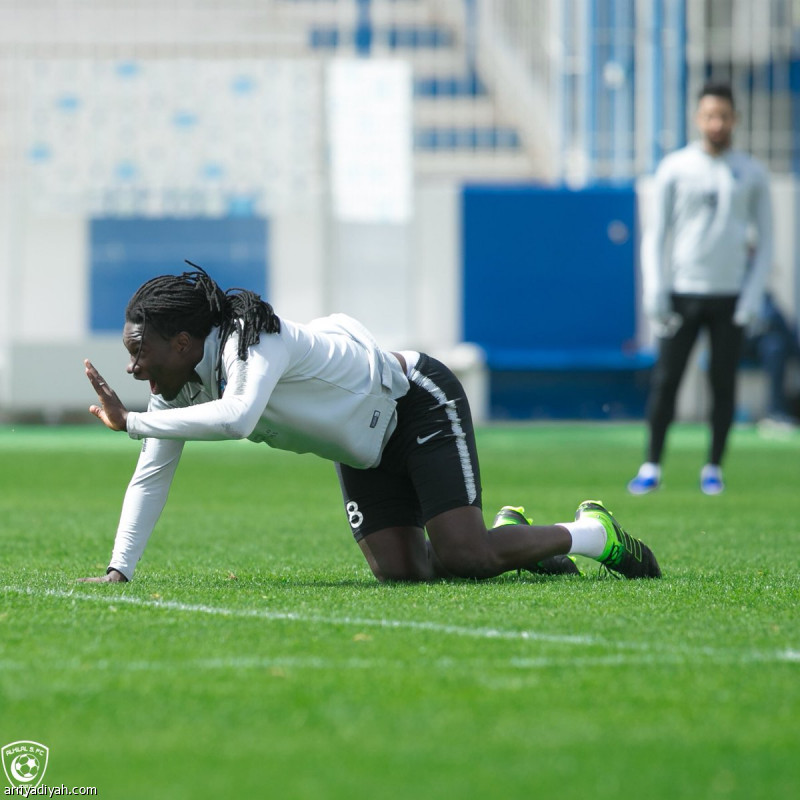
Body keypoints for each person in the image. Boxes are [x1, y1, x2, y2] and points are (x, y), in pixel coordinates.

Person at [79, 265, 661, 585]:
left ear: (183, 343)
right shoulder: (174, 389)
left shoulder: (253, 341)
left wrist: (129, 422)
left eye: (140, 351)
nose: (132, 366)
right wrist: (118, 571)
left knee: (463, 556)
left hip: (416, 402)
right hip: (364, 449)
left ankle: (592, 534)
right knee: (405, 574)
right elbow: (150, 478)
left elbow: (237, 419)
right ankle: (517, 538)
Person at [628, 82, 773, 496]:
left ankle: (714, 467)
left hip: (729, 297)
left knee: (723, 384)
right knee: (667, 381)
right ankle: (651, 465)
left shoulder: (751, 172)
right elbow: (656, 233)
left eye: (724, 116)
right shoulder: (676, 168)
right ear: (698, 118)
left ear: (735, 120)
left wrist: (751, 296)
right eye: (710, 115)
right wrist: (654, 288)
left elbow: (767, 241)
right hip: (682, 293)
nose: (716, 123)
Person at [742, 292, 800, 431]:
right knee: (777, 345)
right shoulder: (732, 293)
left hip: (765, 348)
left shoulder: (765, 298)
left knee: (776, 347)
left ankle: (776, 413)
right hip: (737, 346)